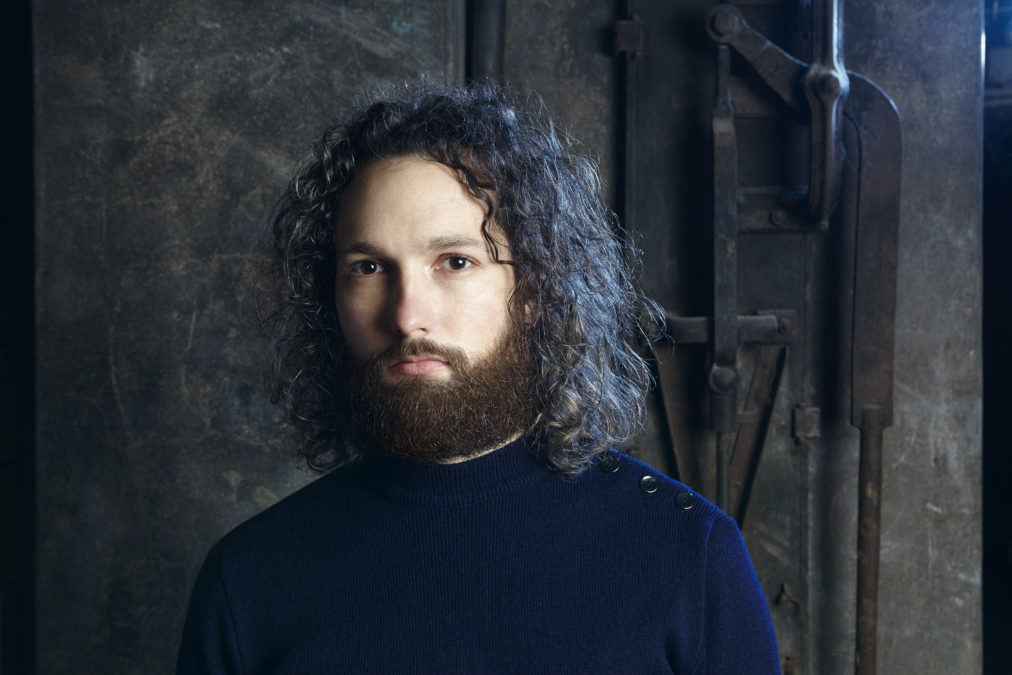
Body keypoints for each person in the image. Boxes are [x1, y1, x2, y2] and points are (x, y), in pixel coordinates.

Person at [176, 81, 780, 673]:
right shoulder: (250, 580)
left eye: (455, 262)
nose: (407, 316)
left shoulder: (687, 556)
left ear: (534, 290)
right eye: (367, 267)